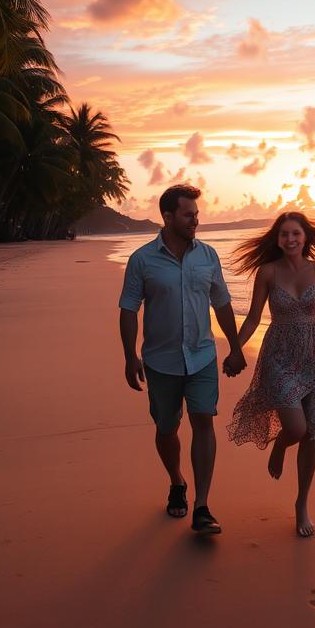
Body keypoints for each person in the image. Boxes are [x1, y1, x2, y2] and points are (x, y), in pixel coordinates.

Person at [225, 211, 315, 537]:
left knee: (312, 432)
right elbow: (254, 317)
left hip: (314, 355)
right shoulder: (268, 272)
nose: (290, 239)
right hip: (279, 355)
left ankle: (301, 503)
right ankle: (280, 446)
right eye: (285, 234)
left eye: (296, 234)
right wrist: (235, 348)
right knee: (297, 428)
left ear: (305, 237)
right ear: (278, 238)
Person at [119, 185, 246, 535]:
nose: (196, 220)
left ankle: (202, 506)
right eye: (189, 214)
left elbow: (221, 303)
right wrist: (130, 356)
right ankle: (177, 480)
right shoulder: (142, 260)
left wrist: (235, 348)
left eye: (196, 214)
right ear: (169, 216)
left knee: (203, 420)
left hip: (202, 356)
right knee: (166, 428)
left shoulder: (208, 256)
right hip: (161, 362)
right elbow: (129, 309)